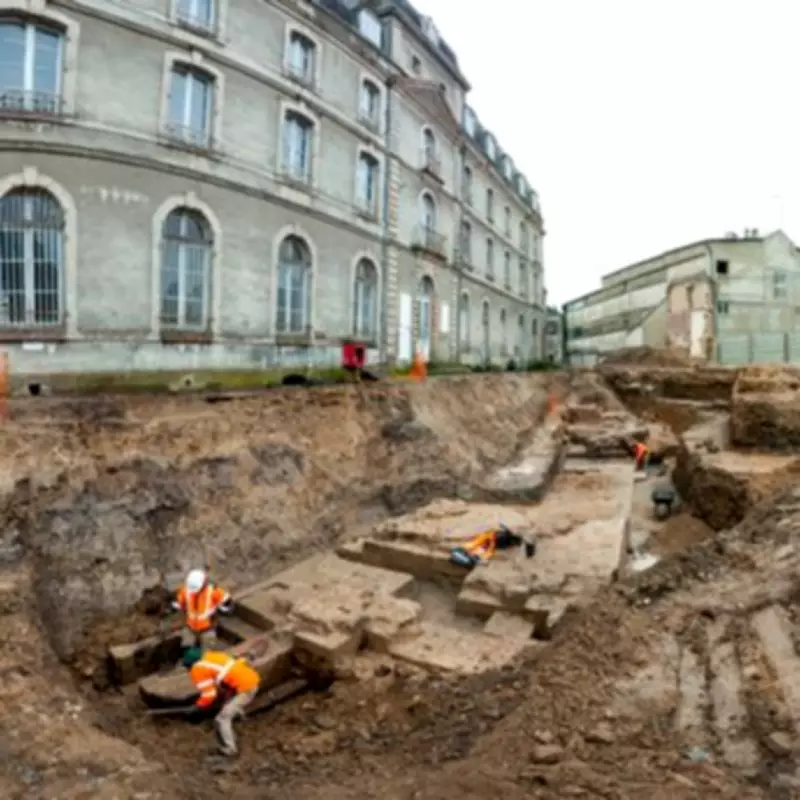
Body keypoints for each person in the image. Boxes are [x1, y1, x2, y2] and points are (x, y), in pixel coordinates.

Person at [182, 647, 260, 757]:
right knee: (227, 702)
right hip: (248, 679)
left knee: (222, 719)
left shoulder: (197, 669)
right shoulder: (213, 656)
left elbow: (209, 694)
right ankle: (237, 713)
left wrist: (198, 706)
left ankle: (230, 749)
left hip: (246, 688)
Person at [173, 569, 233, 649]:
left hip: (208, 628)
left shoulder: (212, 591)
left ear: (204, 584)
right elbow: (180, 604)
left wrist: (224, 610)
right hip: (190, 627)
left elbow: (226, 600)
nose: (195, 592)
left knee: (207, 648)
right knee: (187, 647)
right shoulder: (186, 590)